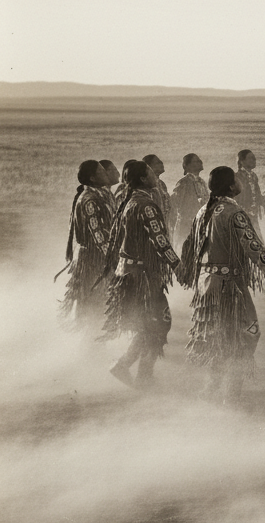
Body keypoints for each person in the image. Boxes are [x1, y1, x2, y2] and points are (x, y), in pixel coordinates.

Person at [179, 167, 265, 400]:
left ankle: (211, 389)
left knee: (221, 336)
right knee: (247, 334)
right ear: (231, 187)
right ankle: (231, 394)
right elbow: (253, 247)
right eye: (236, 179)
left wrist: (189, 273)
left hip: (207, 287)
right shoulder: (233, 212)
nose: (240, 182)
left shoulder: (204, 210)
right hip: (228, 286)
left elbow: (189, 246)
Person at [100, 160, 181, 389]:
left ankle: (134, 370)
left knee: (150, 325)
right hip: (141, 275)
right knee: (159, 323)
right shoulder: (145, 205)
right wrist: (178, 266)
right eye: (150, 173)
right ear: (144, 179)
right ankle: (134, 370)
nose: (155, 176)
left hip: (129, 274)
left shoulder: (130, 201)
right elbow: (160, 240)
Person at [57, 160, 113, 328]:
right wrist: (112, 258)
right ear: (93, 178)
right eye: (102, 172)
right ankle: (89, 345)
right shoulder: (89, 200)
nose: (107, 175)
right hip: (92, 260)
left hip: (98, 257)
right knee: (93, 302)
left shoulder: (99, 195)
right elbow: (98, 234)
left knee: (100, 301)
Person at [169, 153, 206, 248]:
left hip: (199, 225)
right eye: (196, 161)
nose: (200, 162)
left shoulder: (202, 182)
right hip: (185, 227)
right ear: (187, 166)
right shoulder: (183, 182)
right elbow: (174, 204)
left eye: (199, 160)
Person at [235, 149, 265, 239]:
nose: (254, 160)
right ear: (242, 161)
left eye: (254, 158)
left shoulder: (254, 176)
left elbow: (257, 193)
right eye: (251, 158)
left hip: (253, 215)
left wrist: (263, 202)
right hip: (241, 215)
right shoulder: (237, 177)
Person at [142, 154, 172, 220]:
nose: (161, 163)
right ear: (149, 167)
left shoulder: (162, 184)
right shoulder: (146, 184)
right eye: (158, 162)